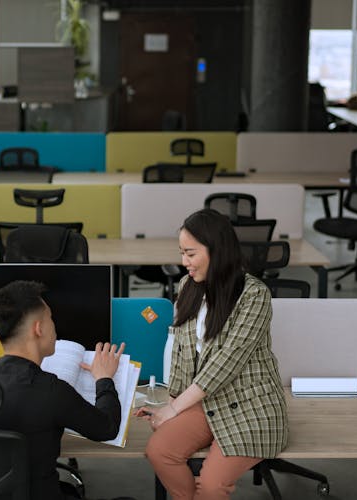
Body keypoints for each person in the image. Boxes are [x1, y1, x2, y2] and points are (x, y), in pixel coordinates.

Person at [136, 208, 288, 500]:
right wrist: (169, 404)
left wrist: (175, 409)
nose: (184, 263)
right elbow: (182, 352)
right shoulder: (187, 287)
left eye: (191, 254)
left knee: (212, 485)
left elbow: (225, 363)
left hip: (250, 405)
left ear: (217, 251)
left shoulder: (254, 295)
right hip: (204, 403)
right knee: (159, 452)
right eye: (182, 253)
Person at [0, 280, 125, 500]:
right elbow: (108, 428)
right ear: (39, 328)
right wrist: (103, 379)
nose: (54, 325)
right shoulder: (52, 391)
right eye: (51, 318)